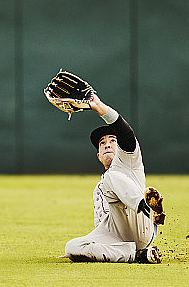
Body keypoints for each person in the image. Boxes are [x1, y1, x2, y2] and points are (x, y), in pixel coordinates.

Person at [64, 92, 165, 264]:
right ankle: (139, 255)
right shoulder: (99, 188)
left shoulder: (130, 160)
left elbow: (126, 134)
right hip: (114, 234)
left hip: (140, 222)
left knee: (110, 178)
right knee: (72, 247)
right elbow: (101, 225)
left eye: (112, 140)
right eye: (102, 143)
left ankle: (147, 206)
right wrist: (85, 250)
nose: (107, 144)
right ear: (99, 156)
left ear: (120, 148)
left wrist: (101, 108)